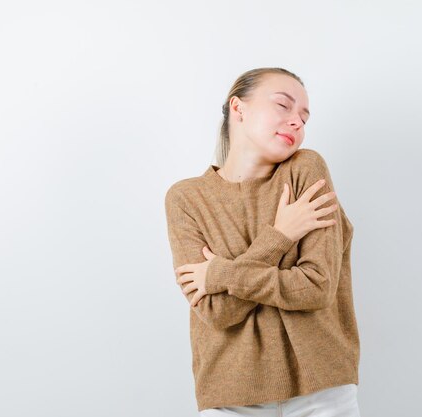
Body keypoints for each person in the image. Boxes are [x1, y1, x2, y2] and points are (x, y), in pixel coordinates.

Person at [164, 67, 360, 416]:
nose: (297, 121)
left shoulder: (306, 170)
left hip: (321, 387)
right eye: (284, 105)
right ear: (238, 108)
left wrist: (220, 274)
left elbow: (315, 288)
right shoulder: (186, 198)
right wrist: (280, 237)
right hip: (229, 393)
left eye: (304, 116)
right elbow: (218, 312)